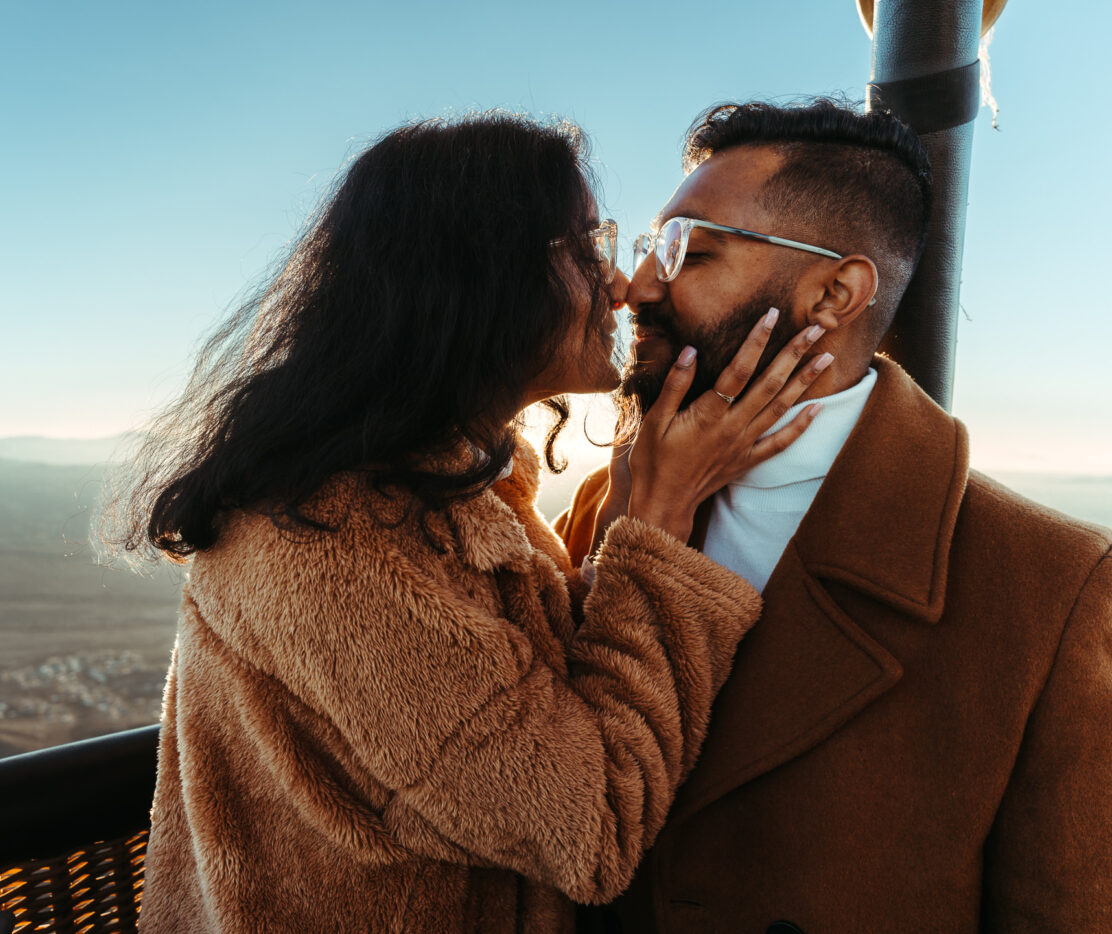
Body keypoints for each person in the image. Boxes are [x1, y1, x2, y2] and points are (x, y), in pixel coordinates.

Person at [106, 112, 834, 932]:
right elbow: (593, 830)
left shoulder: (453, 489)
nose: (622, 287)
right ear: (482, 276)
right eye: (588, 249)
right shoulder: (327, 543)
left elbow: (523, 688)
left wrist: (636, 495)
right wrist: (662, 523)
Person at [556, 99, 1112, 931]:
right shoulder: (615, 500)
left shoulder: (1049, 583)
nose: (637, 288)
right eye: (649, 249)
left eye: (689, 252)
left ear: (834, 294)